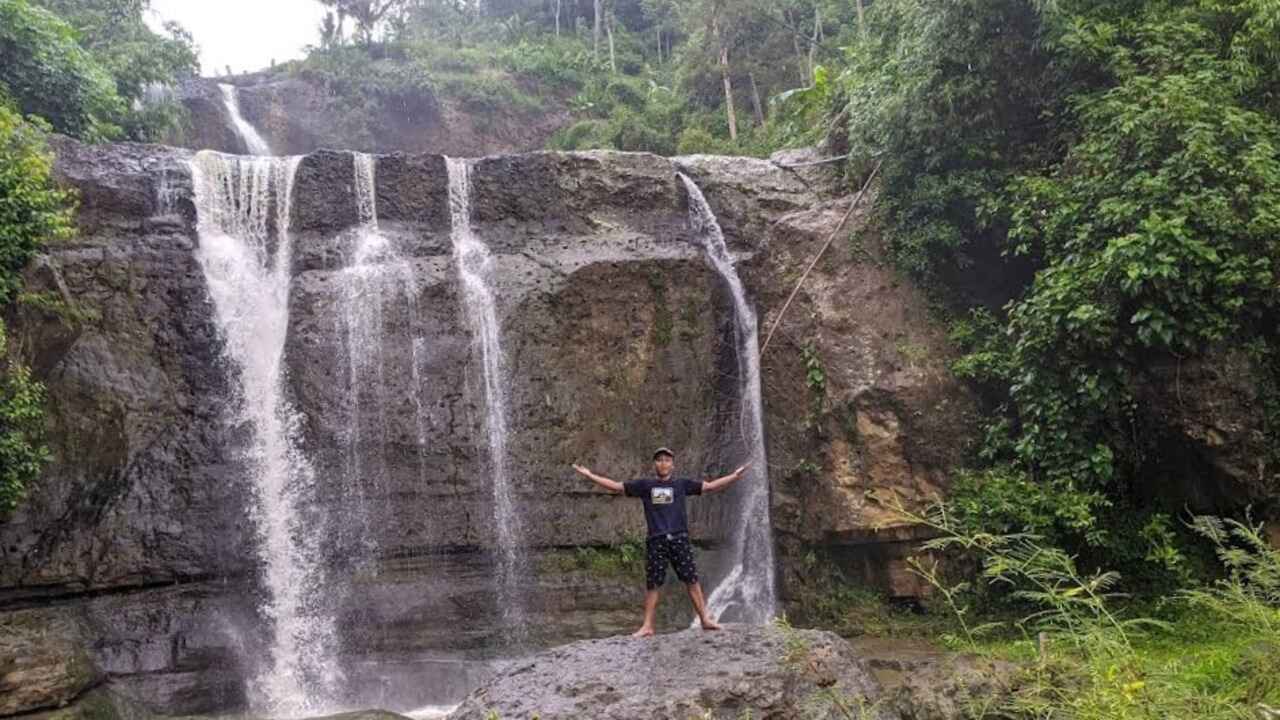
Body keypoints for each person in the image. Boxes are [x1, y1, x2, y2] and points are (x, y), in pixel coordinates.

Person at [572, 447, 749, 638]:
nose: (663, 463)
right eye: (659, 460)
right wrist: (590, 475)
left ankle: (705, 619)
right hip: (656, 540)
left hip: (679, 538)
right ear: (655, 464)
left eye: (666, 460)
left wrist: (735, 476)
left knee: (691, 579)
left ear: (672, 464)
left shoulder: (682, 485)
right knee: (653, 584)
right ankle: (647, 626)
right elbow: (616, 487)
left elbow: (711, 486)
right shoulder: (645, 486)